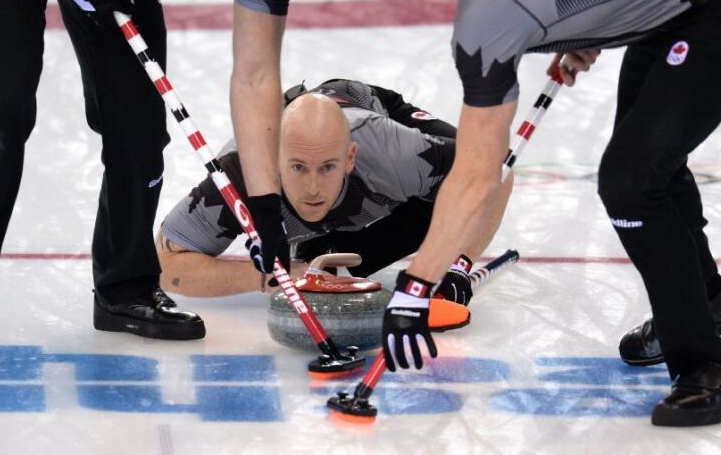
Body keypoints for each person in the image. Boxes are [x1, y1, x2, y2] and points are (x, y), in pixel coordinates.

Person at [346, 0, 721, 426]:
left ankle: (709, 370)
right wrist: (587, 20)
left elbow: (475, 174)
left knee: (632, 183)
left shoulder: (484, 20)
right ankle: (704, 300)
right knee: (649, 165)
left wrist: (416, 286)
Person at [0, 0, 355, 366]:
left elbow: (256, 75)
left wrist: (265, 207)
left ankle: (124, 288)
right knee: (7, 103)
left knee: (140, 125)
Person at [156, 79, 511, 302]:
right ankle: (314, 248)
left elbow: (498, 166)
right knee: (324, 271)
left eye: (327, 167)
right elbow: (166, 265)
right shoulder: (239, 176)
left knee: (449, 200)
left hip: (367, 112)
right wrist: (275, 277)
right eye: (297, 168)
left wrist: (459, 264)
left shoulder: (391, 150)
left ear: (350, 158)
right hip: (338, 182)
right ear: (275, 161)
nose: (312, 188)